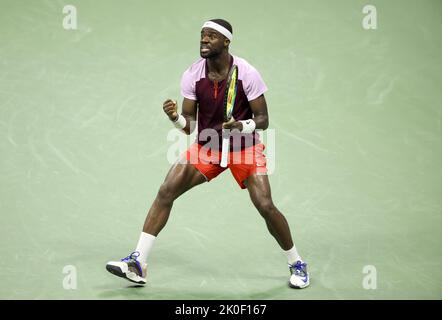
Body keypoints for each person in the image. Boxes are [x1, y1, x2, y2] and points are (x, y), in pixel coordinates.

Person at [106, 19, 309, 289]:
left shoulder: (246, 72)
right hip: (208, 146)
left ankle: (296, 262)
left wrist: (241, 125)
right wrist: (176, 117)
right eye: (202, 35)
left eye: (211, 36)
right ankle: (138, 262)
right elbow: (189, 125)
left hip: (244, 147)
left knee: (265, 205)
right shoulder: (192, 74)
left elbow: (263, 119)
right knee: (166, 191)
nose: (204, 40)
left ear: (226, 42)